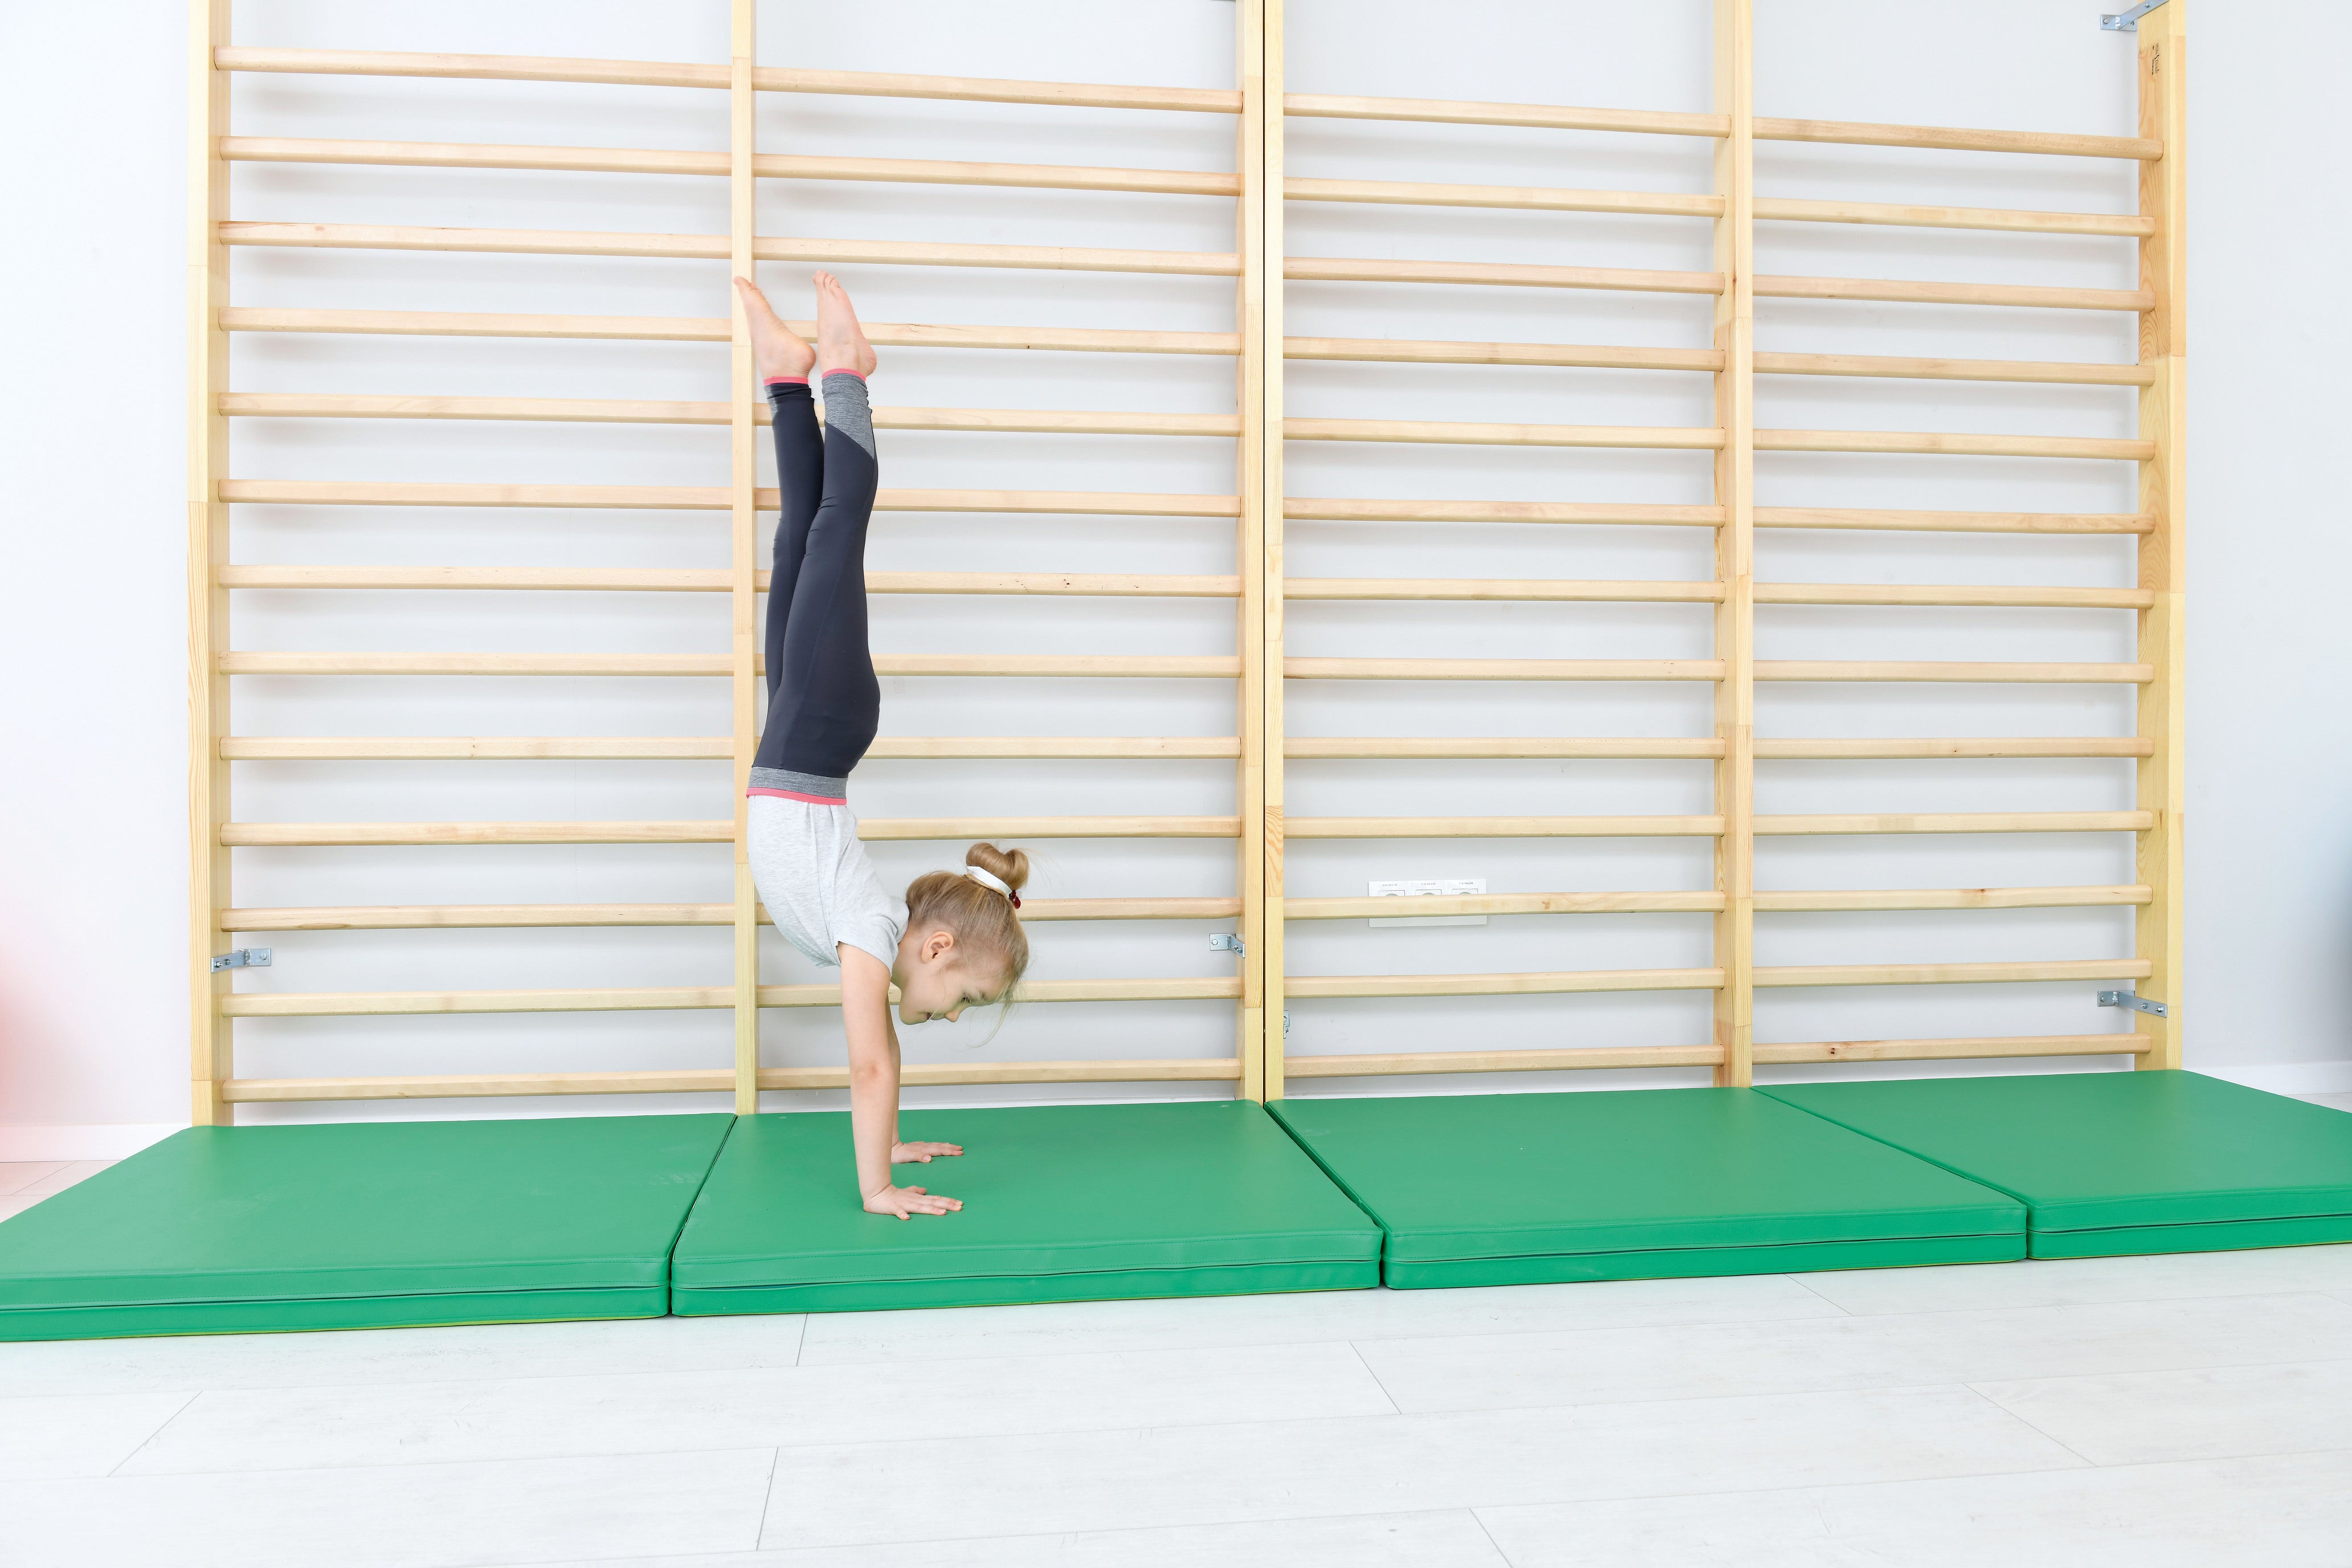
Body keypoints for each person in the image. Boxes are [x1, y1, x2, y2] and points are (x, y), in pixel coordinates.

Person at [734, 271, 1031, 1220]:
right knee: (834, 535)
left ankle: (787, 381)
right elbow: (871, 1062)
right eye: (965, 997)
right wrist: (879, 1184)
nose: (952, 1015)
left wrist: (893, 1133)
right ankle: (845, 378)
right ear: (936, 945)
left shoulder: (865, 939)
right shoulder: (868, 941)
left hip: (801, 742)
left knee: (797, 547)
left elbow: (882, 1064)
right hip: (817, 733)